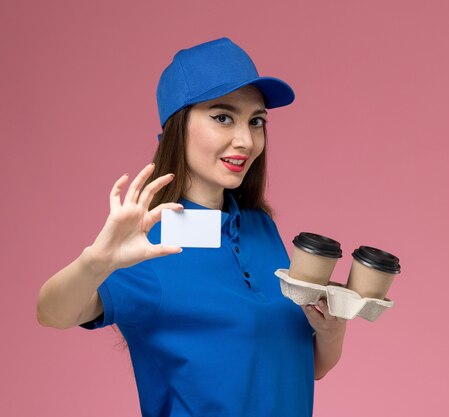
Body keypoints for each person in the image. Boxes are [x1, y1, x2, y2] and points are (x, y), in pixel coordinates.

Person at [37, 37, 347, 417]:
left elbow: (301, 367)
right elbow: (51, 313)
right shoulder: (150, 241)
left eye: (257, 121)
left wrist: (331, 331)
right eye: (223, 117)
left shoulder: (261, 229)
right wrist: (96, 261)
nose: (246, 140)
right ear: (177, 128)